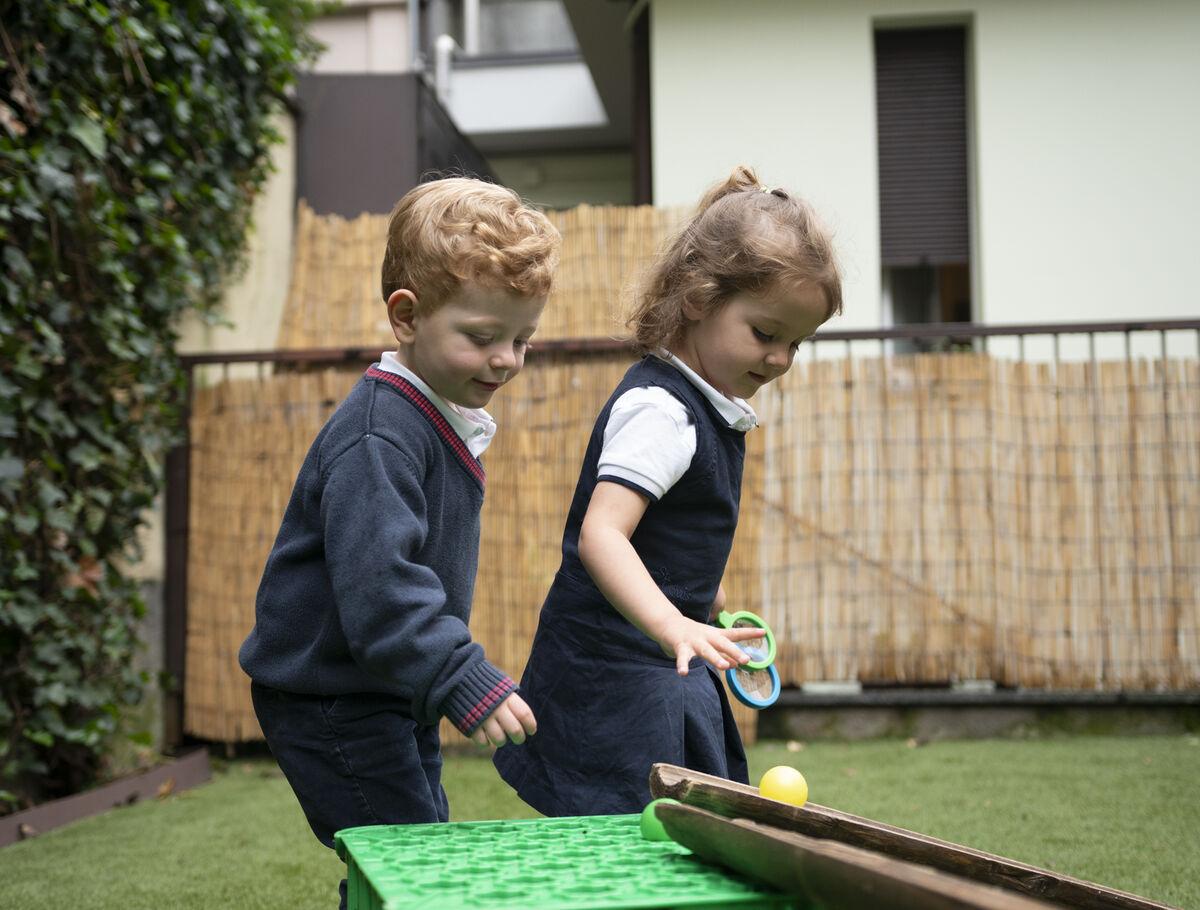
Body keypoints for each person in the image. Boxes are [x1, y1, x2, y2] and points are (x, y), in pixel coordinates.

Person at [238, 177, 561, 907]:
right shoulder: (380, 435)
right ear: (406, 317)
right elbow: (381, 589)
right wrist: (459, 673)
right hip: (331, 697)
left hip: (384, 691)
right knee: (413, 864)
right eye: (483, 337)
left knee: (410, 858)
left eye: (522, 339)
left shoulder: (431, 416)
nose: (507, 359)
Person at [493, 165, 842, 816]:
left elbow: (666, 543)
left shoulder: (707, 406)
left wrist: (702, 604)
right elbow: (603, 535)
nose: (780, 360)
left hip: (658, 669)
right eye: (766, 334)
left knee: (680, 833)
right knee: (632, 839)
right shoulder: (662, 411)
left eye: (797, 343)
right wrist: (670, 623)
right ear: (697, 298)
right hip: (614, 679)